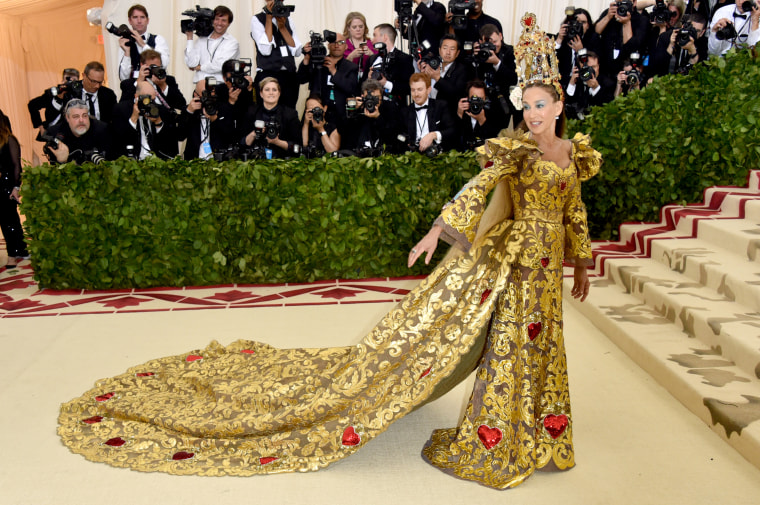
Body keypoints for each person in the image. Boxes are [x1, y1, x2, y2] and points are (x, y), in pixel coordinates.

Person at [57, 13, 601, 491]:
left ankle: (542, 428)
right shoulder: (517, 151)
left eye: (539, 105)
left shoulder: (573, 154)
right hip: (510, 267)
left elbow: (574, 209)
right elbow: (476, 192)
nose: (530, 114)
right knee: (507, 346)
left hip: (548, 265)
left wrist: (580, 259)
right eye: (525, 104)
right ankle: (499, 435)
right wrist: (437, 232)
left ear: (556, 105)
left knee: (544, 343)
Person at [298, 31, 360, 128]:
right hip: (317, 110)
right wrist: (306, 58)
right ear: (328, 45)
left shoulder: (351, 67)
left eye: (340, 43)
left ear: (346, 46)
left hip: (340, 113)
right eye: (333, 42)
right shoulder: (318, 61)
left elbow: (351, 88)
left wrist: (334, 71)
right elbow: (302, 79)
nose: (336, 45)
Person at [251, 0, 302, 108]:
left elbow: (297, 51)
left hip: (289, 75)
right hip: (267, 74)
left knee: (289, 112)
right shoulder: (257, 19)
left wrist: (282, 27)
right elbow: (265, 50)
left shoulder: (288, 20)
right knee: (266, 112)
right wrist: (269, 19)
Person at [111, 80, 179, 160]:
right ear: (137, 97)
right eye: (148, 100)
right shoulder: (121, 109)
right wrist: (133, 119)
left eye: (153, 100)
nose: (151, 104)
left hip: (156, 161)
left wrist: (158, 123)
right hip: (133, 160)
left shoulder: (161, 110)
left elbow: (169, 145)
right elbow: (119, 142)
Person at [240, 77, 301, 159]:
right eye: (267, 90)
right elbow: (242, 144)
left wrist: (277, 142)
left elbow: (297, 147)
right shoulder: (252, 112)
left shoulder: (290, 114)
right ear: (261, 94)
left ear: (279, 93)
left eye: (274, 90)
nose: (271, 93)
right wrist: (254, 133)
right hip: (256, 160)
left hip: (282, 160)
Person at [177, 79, 237, 160]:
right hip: (194, 161)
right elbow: (180, 136)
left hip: (217, 160)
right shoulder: (189, 110)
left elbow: (231, 137)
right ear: (196, 95)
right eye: (205, 93)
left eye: (211, 92)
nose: (209, 97)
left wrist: (215, 119)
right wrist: (189, 112)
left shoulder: (223, 109)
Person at [0, 111, 29, 269]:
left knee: (8, 220)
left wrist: (16, 187)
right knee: (10, 220)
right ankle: (20, 249)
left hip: (6, 185)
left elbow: (17, 166)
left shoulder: (10, 140)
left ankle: (13, 254)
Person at [45, 99, 112, 164]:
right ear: (67, 118)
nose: (81, 120)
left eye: (85, 116)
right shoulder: (55, 133)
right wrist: (62, 161)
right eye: (76, 117)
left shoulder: (102, 130)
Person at [595, 0, 651, 78]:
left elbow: (631, 47)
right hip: (606, 68)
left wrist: (626, 23)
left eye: (626, 2)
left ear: (634, 3)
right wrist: (608, 17)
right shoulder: (609, 13)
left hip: (627, 69)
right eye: (620, 2)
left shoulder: (642, 20)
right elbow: (596, 32)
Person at [184, 5, 240, 83]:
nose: (219, 23)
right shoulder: (201, 40)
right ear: (212, 20)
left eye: (223, 20)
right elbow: (191, 63)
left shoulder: (232, 43)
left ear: (229, 23)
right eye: (217, 19)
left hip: (220, 86)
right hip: (199, 87)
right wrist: (189, 38)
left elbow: (221, 65)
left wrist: (200, 67)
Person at [402, 72, 456, 153]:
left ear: (428, 90)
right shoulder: (405, 112)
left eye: (420, 89)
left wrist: (433, 135)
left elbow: (452, 130)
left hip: (438, 156)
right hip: (413, 158)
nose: (416, 94)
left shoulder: (440, 106)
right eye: (413, 90)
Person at [119, 50, 186, 112]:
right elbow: (123, 109)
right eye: (153, 67)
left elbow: (181, 104)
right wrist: (139, 82)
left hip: (164, 120)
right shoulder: (129, 84)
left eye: (158, 67)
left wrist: (163, 85)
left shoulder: (168, 80)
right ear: (142, 65)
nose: (156, 70)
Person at [117, 4, 170, 81]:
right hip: (132, 89)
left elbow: (164, 64)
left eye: (142, 17)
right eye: (135, 17)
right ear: (129, 21)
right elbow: (123, 78)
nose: (139, 21)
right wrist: (127, 53)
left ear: (147, 20)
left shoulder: (158, 39)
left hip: (154, 88)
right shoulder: (125, 42)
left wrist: (143, 45)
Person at [420, 34, 470, 118]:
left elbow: (456, 93)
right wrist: (423, 76)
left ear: (457, 53)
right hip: (428, 113)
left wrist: (437, 78)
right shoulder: (432, 65)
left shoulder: (462, 70)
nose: (448, 52)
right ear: (439, 50)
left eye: (452, 49)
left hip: (448, 116)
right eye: (445, 48)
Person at [370, 23, 415, 107]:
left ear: (385, 37)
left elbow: (408, 87)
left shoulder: (404, 59)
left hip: (395, 109)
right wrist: (368, 79)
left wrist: (386, 83)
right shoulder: (372, 59)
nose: (372, 40)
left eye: (375, 35)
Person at [27, 67, 80, 138]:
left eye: (73, 81)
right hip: (54, 134)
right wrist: (41, 128)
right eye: (67, 79)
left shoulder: (81, 96)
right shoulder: (52, 94)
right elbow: (32, 105)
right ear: (62, 80)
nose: (69, 83)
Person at [556, 8, 601, 90]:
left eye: (583, 22)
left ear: (588, 25)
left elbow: (594, 65)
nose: (579, 25)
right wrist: (559, 39)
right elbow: (552, 58)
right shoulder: (564, 37)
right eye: (576, 22)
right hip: (562, 81)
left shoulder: (594, 39)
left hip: (582, 83)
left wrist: (580, 51)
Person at [455, 79, 501, 150]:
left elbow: (495, 142)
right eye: (474, 98)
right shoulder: (462, 112)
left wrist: (482, 120)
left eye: (480, 99)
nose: (476, 103)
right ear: (467, 98)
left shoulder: (493, 114)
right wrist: (459, 115)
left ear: (485, 98)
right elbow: (454, 139)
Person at [343, 12, 378, 81]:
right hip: (348, 81)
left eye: (361, 26)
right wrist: (351, 57)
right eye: (354, 27)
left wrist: (372, 55)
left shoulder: (372, 43)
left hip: (369, 82)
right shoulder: (343, 44)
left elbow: (381, 65)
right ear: (348, 28)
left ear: (365, 27)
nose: (358, 29)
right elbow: (339, 69)